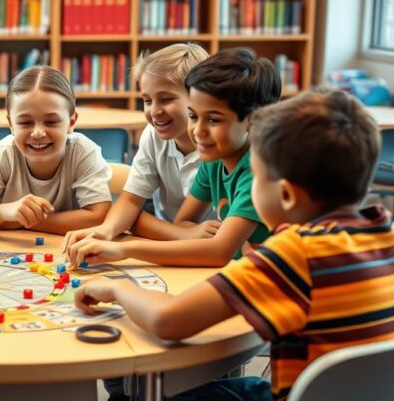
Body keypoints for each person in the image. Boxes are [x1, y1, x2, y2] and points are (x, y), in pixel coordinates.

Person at [75, 90, 394, 401]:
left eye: (254, 178)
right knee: (178, 392)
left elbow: (168, 322)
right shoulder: (389, 233)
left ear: (286, 195)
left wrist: (118, 288)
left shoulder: (293, 255)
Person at [61, 43, 216, 401]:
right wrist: (108, 231)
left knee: (182, 340)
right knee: (114, 306)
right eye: (147, 99)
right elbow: (130, 202)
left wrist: (135, 234)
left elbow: (215, 244)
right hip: (171, 243)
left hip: (211, 259)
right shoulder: (153, 135)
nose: (154, 110)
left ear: (198, 98)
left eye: (167, 98)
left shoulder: (219, 144)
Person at [0, 64, 113, 401]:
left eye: (51, 121)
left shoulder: (84, 151)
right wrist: (5, 211)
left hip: (72, 265)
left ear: (72, 121)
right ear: (9, 122)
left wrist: (24, 223)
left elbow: (99, 216)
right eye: (25, 122)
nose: (38, 132)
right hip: (16, 268)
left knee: (72, 324)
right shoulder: (4, 152)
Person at [65, 48, 280, 269]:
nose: (198, 131)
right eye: (194, 116)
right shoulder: (215, 157)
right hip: (225, 269)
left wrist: (125, 250)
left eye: (213, 120)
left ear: (253, 121)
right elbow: (181, 223)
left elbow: (218, 252)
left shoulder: (258, 171)